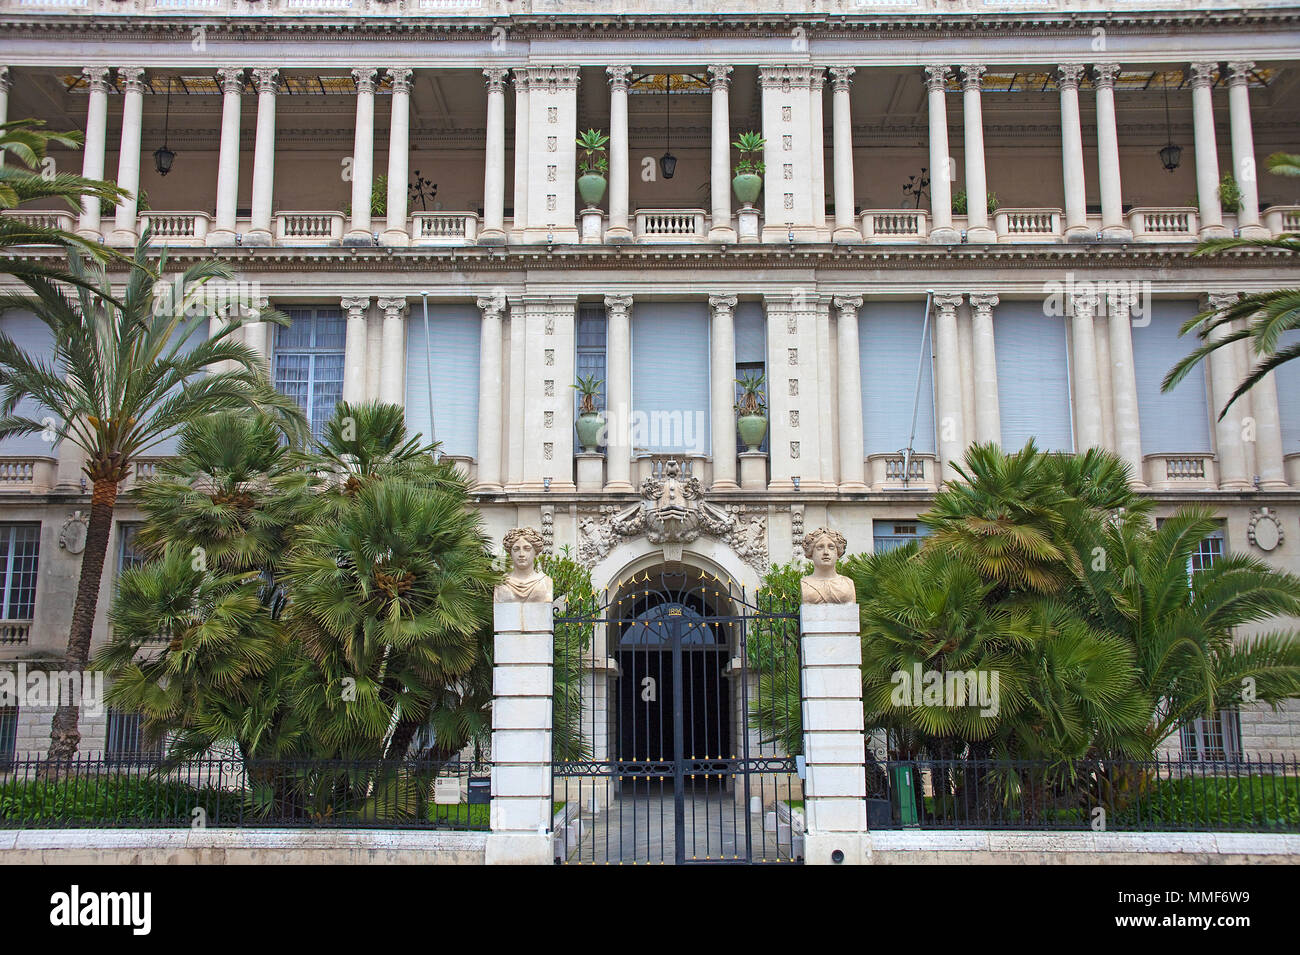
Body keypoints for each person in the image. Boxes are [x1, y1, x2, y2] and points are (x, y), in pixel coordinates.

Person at [495, 526, 553, 603]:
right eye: (516, 549)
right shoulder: (501, 583)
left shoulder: (546, 581)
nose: (521, 554)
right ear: (510, 553)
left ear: (536, 552)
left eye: (527, 549)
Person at [800, 527, 855, 604]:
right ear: (811, 553)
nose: (826, 552)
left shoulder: (848, 583)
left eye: (831, 547)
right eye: (820, 547)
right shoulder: (805, 583)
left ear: (838, 553)